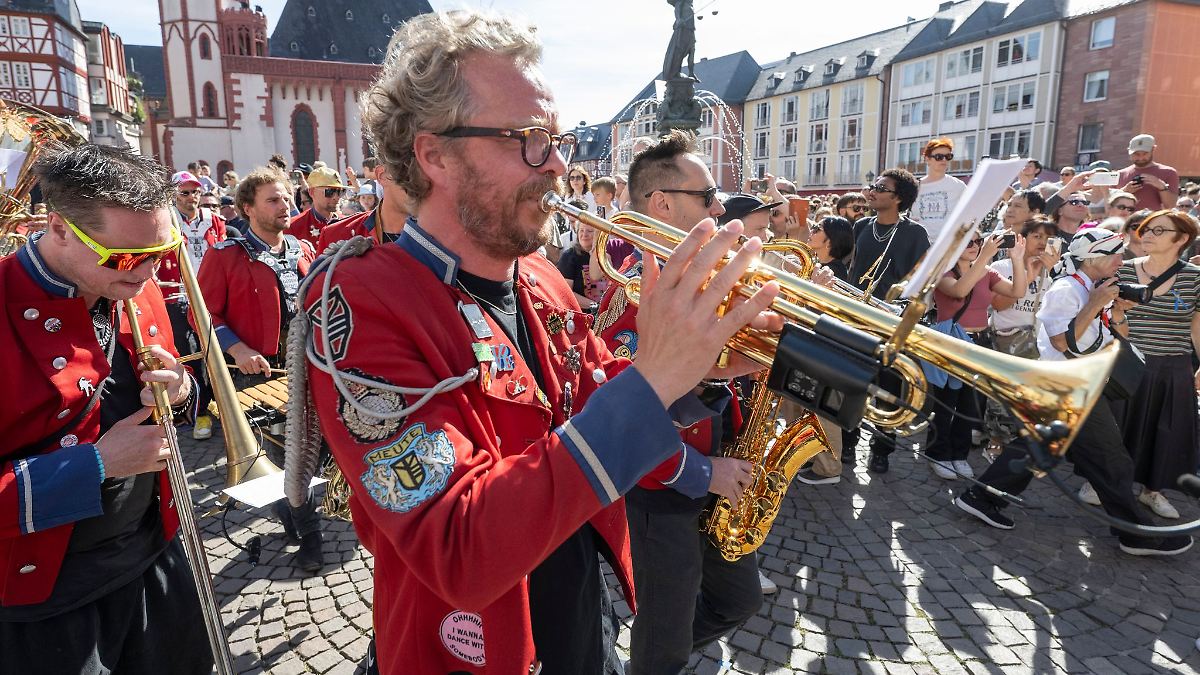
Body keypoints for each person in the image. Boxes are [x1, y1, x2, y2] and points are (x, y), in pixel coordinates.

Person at [298, 11, 778, 674]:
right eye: (528, 139)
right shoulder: (360, 299)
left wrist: (709, 361)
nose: (557, 164)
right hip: (464, 647)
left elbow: (596, 388)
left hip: (579, 615)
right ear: (434, 155)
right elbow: (459, 546)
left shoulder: (541, 275)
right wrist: (654, 381)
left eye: (556, 139)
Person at [0, 144, 211, 674]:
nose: (147, 273)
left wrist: (180, 390)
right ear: (60, 227)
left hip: (152, 550)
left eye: (162, 251)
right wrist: (95, 465)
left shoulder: (136, 285)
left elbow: (172, 398)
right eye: (126, 257)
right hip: (47, 597)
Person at [596, 131, 768, 675]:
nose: (719, 208)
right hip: (664, 485)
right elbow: (620, 414)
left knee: (739, 600)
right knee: (664, 640)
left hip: (719, 466)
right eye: (708, 195)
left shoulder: (705, 278)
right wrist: (703, 472)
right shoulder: (633, 290)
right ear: (662, 205)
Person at [953, 228, 1193, 557]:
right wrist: (1094, 305)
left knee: (1039, 446)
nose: (1121, 261)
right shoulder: (1067, 289)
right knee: (1110, 460)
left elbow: (1119, 335)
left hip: (1080, 384)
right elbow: (1061, 342)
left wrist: (1116, 310)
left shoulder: (1095, 287)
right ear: (1093, 259)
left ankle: (981, 497)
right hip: (1070, 385)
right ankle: (1135, 534)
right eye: (1115, 255)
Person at [195, 167, 324, 572]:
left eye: (286, 197)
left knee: (311, 452)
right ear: (247, 208)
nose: (285, 205)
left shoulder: (303, 249)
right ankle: (308, 532)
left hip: (307, 368)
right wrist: (239, 348)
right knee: (279, 457)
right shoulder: (224, 255)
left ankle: (296, 517)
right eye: (273, 199)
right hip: (256, 375)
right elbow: (203, 315)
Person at [1112, 210, 1200, 520]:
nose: (1147, 234)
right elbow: (1107, 319)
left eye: (1158, 230)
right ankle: (1103, 481)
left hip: (1172, 367)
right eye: (1146, 229)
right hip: (1125, 363)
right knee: (1117, 426)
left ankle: (1152, 491)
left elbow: (1197, 328)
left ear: (1182, 239)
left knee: (1165, 430)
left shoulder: (1195, 278)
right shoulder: (1122, 270)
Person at [926, 230, 1026, 479]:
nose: (975, 246)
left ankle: (959, 455)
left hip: (980, 342)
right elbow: (960, 291)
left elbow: (1017, 291)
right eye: (968, 242)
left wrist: (1017, 258)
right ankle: (937, 454)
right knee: (945, 402)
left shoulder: (987, 272)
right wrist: (984, 257)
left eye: (978, 241)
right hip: (952, 341)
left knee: (970, 404)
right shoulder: (943, 272)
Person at [849, 169, 929, 474]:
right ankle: (848, 441)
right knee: (854, 381)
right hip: (857, 317)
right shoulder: (861, 226)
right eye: (873, 185)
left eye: (881, 188)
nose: (872, 191)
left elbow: (921, 282)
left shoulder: (914, 233)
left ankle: (882, 449)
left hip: (892, 323)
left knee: (890, 387)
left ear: (898, 198)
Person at [983, 217, 1060, 455]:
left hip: (1040, 344)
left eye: (1049, 238)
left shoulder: (1056, 271)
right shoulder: (1002, 267)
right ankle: (995, 442)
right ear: (1022, 239)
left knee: (1031, 400)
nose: (1043, 243)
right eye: (1037, 236)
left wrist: (1053, 270)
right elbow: (999, 305)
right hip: (1007, 340)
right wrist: (1029, 276)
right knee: (1001, 397)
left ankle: (1023, 447)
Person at [160, 170, 226, 441]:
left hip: (211, 298)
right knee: (190, 355)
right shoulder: (166, 221)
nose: (192, 197)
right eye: (185, 192)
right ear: (174, 195)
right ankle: (200, 412)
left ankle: (226, 404)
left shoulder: (214, 220)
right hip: (178, 299)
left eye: (196, 192)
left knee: (217, 352)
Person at [555, 201, 609, 307]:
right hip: (583, 312)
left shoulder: (605, 255)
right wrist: (594, 306)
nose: (584, 234)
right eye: (581, 230)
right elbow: (566, 292)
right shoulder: (569, 256)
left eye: (590, 231)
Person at [913, 137, 967, 243]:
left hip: (948, 245)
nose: (944, 160)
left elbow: (972, 209)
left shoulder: (958, 185)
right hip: (920, 245)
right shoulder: (915, 187)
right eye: (939, 157)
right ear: (927, 159)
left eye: (948, 156)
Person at [286, 165, 346, 248]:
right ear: (312, 192)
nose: (336, 197)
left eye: (340, 191)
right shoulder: (293, 226)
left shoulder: (347, 223)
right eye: (330, 191)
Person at [1117, 134, 1179, 212]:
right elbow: (1108, 205)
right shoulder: (1120, 174)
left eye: (1145, 153)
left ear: (1153, 150)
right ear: (1129, 151)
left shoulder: (1169, 173)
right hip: (1126, 219)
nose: (1140, 158)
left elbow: (1170, 206)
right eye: (1136, 154)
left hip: (1155, 219)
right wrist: (1124, 191)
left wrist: (1161, 187)